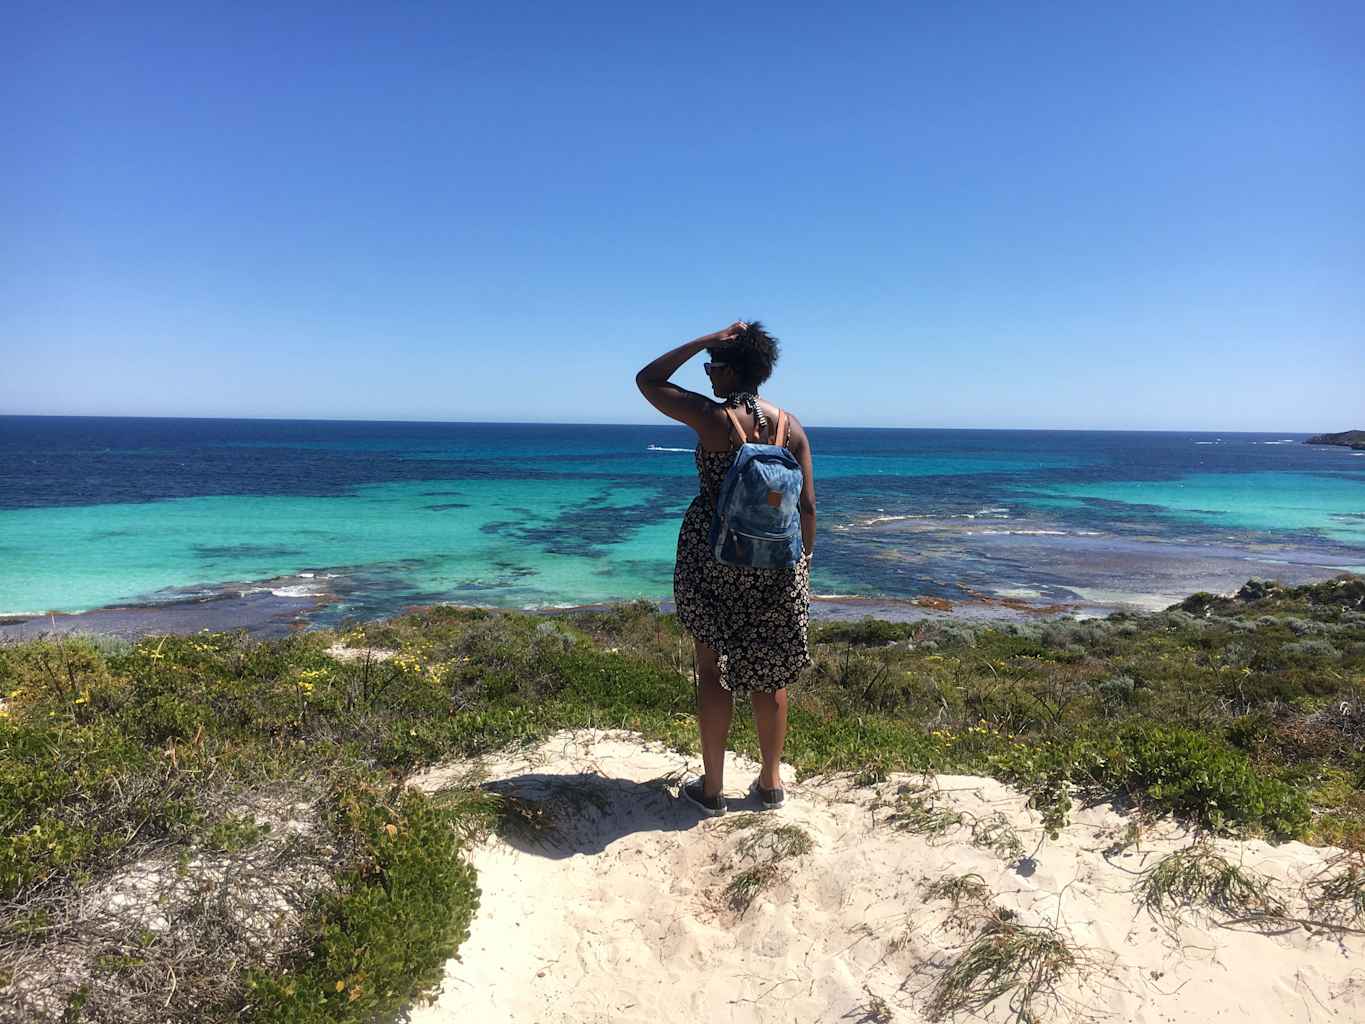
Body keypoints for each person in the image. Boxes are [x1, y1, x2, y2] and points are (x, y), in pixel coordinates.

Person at [635, 320, 816, 816]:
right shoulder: (790, 427)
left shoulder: (713, 419)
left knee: (712, 670)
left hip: (714, 555)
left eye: (713, 364)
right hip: (776, 564)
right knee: (770, 674)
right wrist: (802, 566)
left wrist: (700, 338)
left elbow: (648, 381)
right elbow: (808, 509)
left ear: (732, 368)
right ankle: (770, 783)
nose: (708, 373)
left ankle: (711, 790)